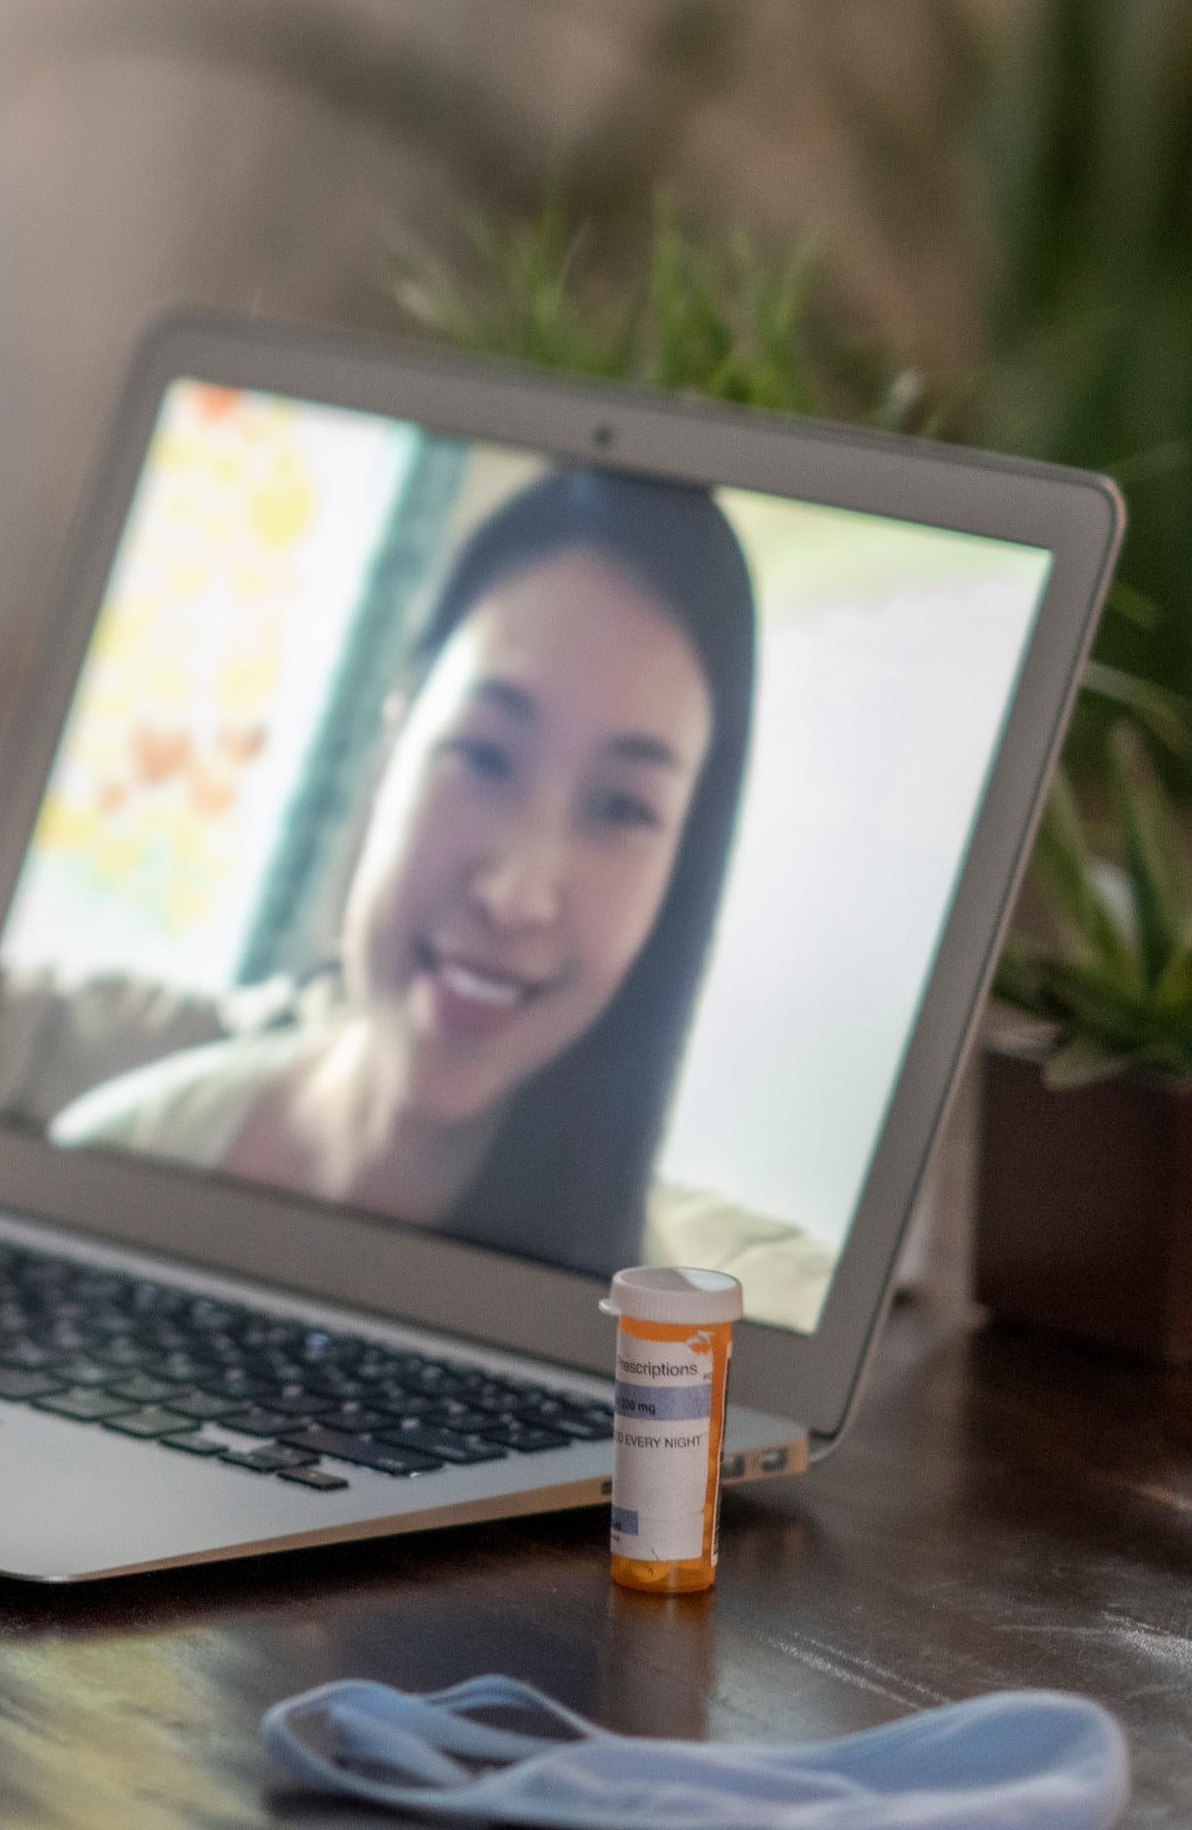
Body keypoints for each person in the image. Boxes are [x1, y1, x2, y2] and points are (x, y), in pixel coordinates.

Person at [50, 468, 770, 1291]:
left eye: (620, 807)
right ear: (393, 744)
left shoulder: (661, 1344)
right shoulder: (114, 1157)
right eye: (486, 755)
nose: (516, 894)